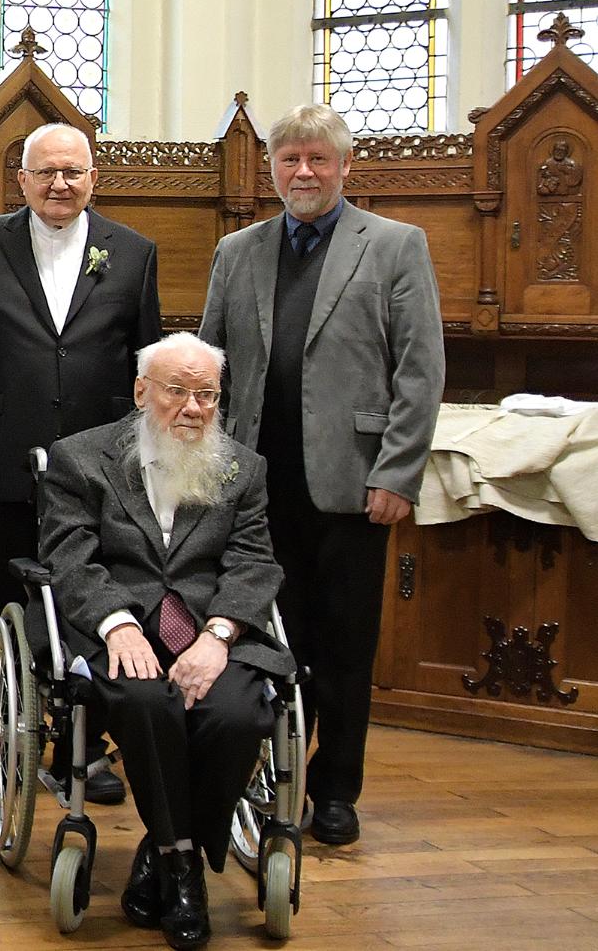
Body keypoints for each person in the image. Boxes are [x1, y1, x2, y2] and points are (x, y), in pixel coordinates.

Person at [198, 103, 443, 847]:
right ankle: (267, 778)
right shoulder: (236, 251)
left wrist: (396, 473)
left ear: (343, 166)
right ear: (268, 167)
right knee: (265, 639)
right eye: (288, 160)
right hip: (253, 491)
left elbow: (419, 369)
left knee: (341, 648)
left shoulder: (395, 245)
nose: (302, 173)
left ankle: (334, 789)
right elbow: (209, 365)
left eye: (317, 160)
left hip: (349, 487)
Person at [38, 333, 291, 951]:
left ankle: (161, 847)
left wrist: (220, 634)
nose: (193, 407)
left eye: (206, 394)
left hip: (210, 630)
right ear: (142, 391)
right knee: (147, 703)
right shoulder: (82, 457)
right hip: (121, 625)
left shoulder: (242, 467)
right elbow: (69, 558)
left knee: (235, 714)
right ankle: (186, 873)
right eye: (177, 391)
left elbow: (253, 562)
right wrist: (117, 622)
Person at [0, 121, 159, 804]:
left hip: (105, 469)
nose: (58, 184)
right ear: (21, 180)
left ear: (93, 178)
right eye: (44, 172)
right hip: (2, 456)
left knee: (96, 602)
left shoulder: (134, 251)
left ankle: (86, 751)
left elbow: (146, 360)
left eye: (72, 172)